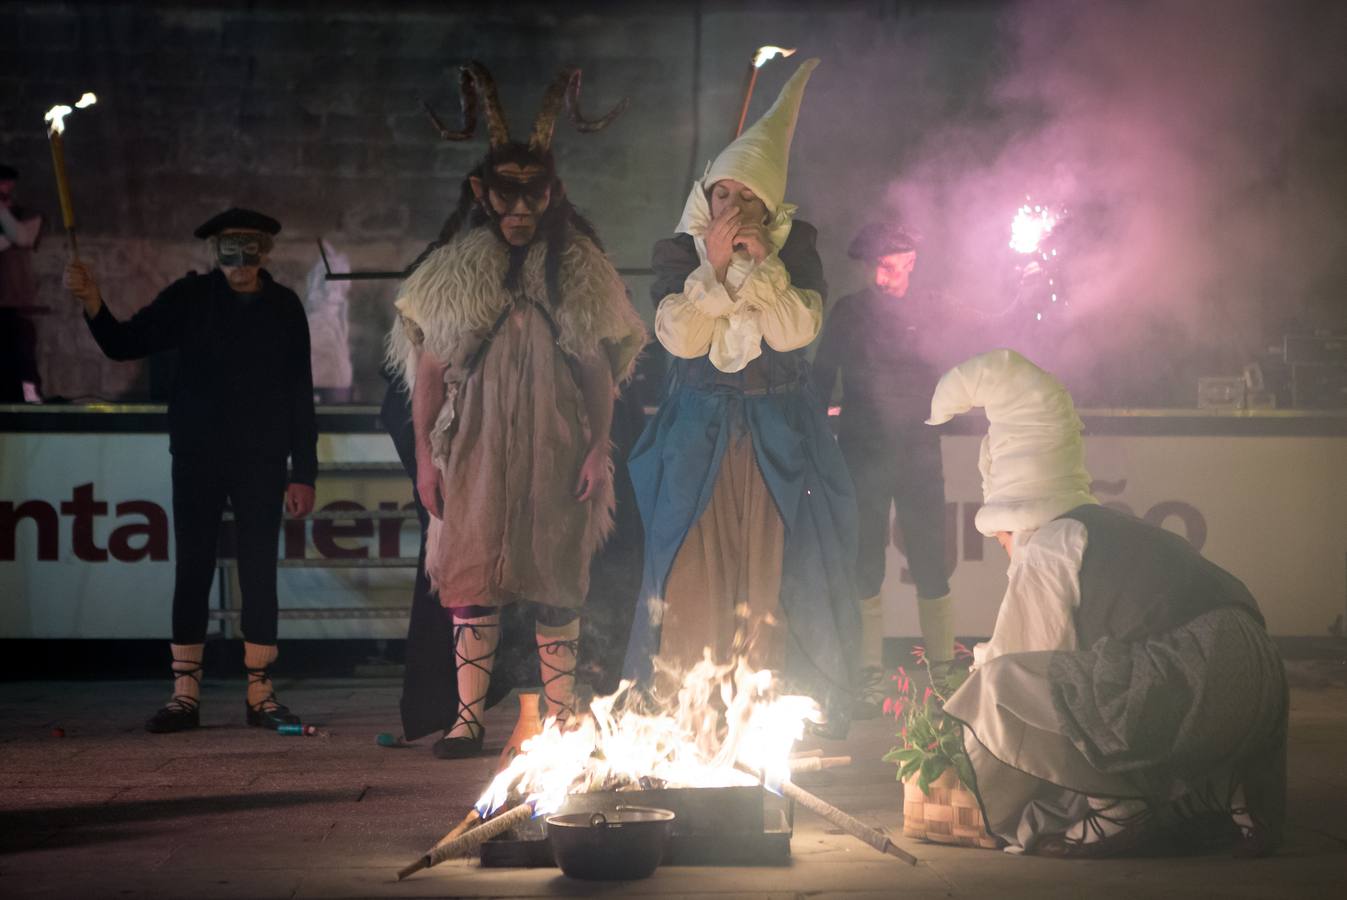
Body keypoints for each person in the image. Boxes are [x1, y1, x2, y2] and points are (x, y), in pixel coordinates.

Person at [384, 62, 647, 759]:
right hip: (471, 445)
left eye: (535, 195)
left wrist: (597, 447)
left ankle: (559, 720)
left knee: (558, 573)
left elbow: (598, 367)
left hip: (557, 443)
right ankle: (469, 719)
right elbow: (430, 372)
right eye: (509, 195)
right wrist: (424, 458)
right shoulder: (455, 271)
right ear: (481, 193)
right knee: (472, 572)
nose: (522, 209)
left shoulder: (577, 268)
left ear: (553, 194)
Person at [929, 348, 1287, 857]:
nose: (1003, 548)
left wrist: (959, 768)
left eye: (1001, 537)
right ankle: (1215, 796)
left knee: (1000, 684)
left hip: (1197, 678)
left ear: (1015, 519)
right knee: (1088, 672)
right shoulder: (1106, 526)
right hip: (1260, 676)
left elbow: (1019, 663)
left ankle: (1120, 810)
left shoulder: (1049, 544)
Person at [622, 59, 860, 736]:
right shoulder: (679, 255)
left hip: (778, 439)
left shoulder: (796, 252)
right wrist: (718, 271)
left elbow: (797, 331)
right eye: (721, 195)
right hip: (696, 437)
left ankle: (764, 716)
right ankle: (688, 715)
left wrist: (762, 272)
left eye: (744, 199)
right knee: (690, 567)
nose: (729, 209)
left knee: (774, 570)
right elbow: (681, 340)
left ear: (764, 206)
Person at [64, 208, 318, 733]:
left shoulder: (285, 307)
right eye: (231, 248)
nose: (241, 260)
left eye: (251, 248)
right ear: (214, 252)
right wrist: (92, 303)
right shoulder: (189, 298)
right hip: (199, 453)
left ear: (266, 252)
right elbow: (123, 342)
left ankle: (260, 691)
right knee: (193, 565)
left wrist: (304, 471)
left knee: (258, 568)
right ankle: (185, 692)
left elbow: (300, 392)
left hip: (261, 457)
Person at [813, 224, 957, 716]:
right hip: (862, 451)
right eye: (884, 265)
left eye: (902, 266)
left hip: (918, 451)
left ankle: (944, 673)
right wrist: (812, 434)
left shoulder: (932, 309)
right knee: (864, 561)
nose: (893, 276)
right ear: (868, 266)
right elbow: (820, 378)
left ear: (914, 264)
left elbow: (977, 345)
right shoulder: (850, 313)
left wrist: (1024, 294)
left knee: (931, 559)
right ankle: (869, 674)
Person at [0, 165, 45, 403]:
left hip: (17, 300)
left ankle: (30, 398)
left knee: (22, 353)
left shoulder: (27, 213)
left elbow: (23, 236)